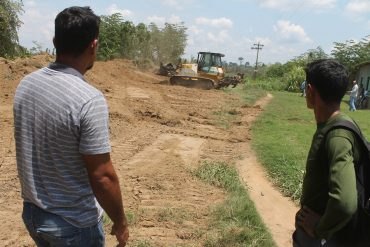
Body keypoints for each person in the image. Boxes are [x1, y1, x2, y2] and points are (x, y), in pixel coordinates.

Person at [13, 6, 129, 247]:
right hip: (73, 226)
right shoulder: (88, 99)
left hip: (34, 215)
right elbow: (103, 177)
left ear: (55, 41)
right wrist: (120, 222)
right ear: (93, 45)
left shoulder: (26, 85)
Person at [293, 59, 365, 246]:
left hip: (324, 239)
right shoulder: (339, 123)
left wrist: (319, 229)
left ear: (310, 90)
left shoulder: (337, 136)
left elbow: (345, 202)